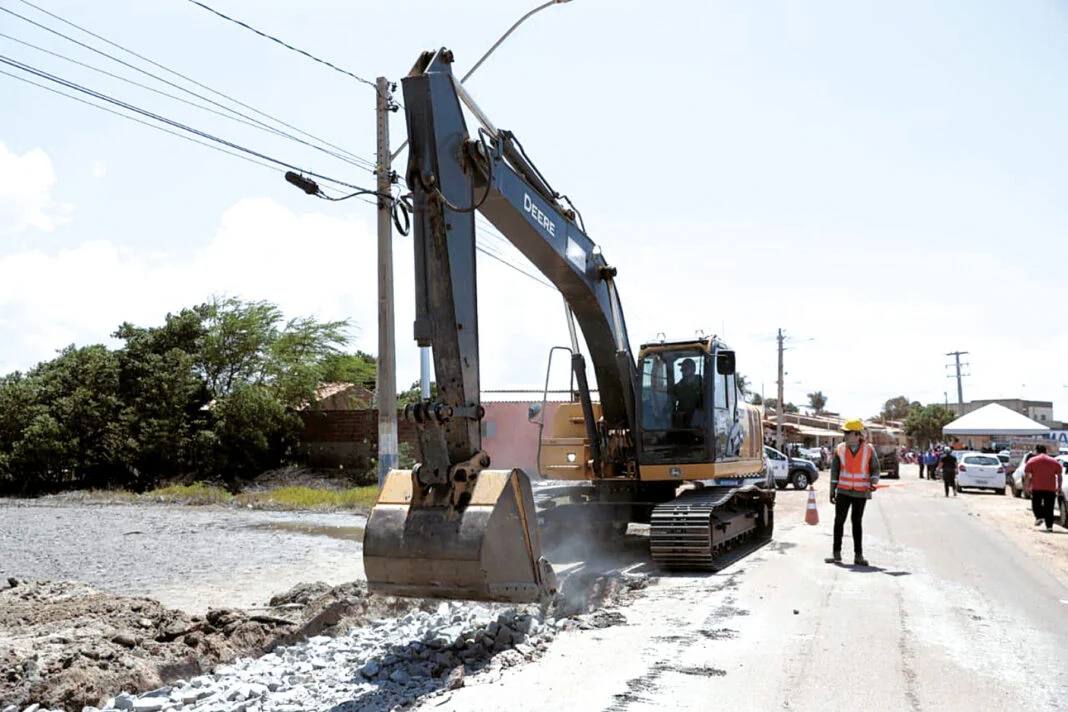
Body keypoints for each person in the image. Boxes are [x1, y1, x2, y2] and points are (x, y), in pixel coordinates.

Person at [828, 418, 880, 566]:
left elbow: (875, 469)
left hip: (860, 492)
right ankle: (836, 552)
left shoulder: (868, 449)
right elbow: (834, 471)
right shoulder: (840, 449)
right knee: (839, 521)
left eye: (848, 432)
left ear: (857, 434)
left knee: (856, 522)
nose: (845, 435)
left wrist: (873, 482)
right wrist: (832, 490)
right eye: (845, 432)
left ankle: (858, 555)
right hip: (843, 491)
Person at [1024, 445, 1063, 532]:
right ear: (1046, 451)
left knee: (1036, 504)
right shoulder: (1054, 461)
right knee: (1049, 508)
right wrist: (1059, 486)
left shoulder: (1032, 461)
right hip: (1050, 488)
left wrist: (1026, 487)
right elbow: (1059, 475)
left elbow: (1027, 476)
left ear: (1036, 451)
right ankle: (1049, 526)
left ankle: (1039, 517)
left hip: (1037, 488)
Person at [669, 357, 702, 427]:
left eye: (686, 369)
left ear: (693, 369)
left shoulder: (703, 386)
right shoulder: (677, 387)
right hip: (682, 424)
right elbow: (670, 403)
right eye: (682, 370)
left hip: (699, 424)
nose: (684, 372)